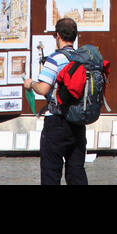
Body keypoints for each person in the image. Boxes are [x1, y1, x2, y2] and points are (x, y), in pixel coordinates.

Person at [29, 18, 90, 185]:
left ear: (57, 35)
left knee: (51, 172)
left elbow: (43, 89)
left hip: (56, 121)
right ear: (75, 36)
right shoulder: (83, 59)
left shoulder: (55, 59)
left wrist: (30, 84)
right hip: (78, 121)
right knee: (76, 172)